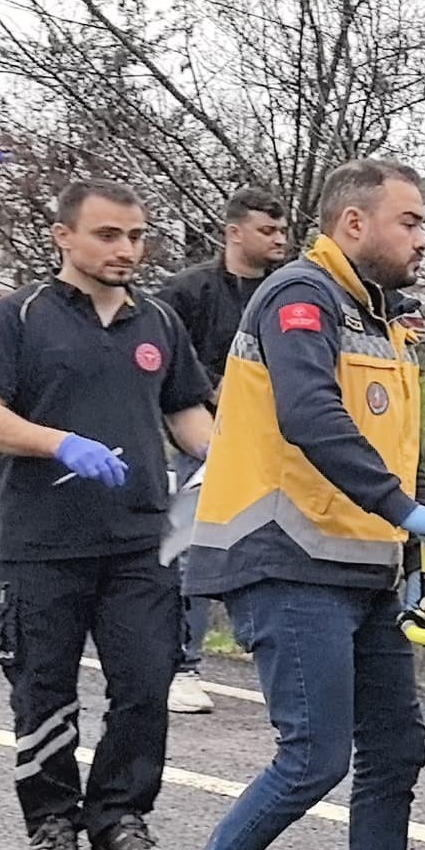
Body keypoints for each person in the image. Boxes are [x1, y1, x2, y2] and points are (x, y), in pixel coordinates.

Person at [147, 159, 425, 850]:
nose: (422, 237)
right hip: (282, 557)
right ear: (353, 225)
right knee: (314, 756)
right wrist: (406, 511)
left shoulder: (384, 322)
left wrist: (417, 537)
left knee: (395, 753)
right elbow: (309, 418)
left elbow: (392, 445)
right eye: (410, 222)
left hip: (359, 568)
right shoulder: (300, 299)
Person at [0, 181, 215, 850]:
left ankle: (121, 816)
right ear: (64, 236)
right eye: (108, 235)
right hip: (42, 543)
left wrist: (225, 455)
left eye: (135, 236)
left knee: (144, 681)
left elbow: (187, 413)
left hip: (139, 541)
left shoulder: (157, 321)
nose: (125, 249)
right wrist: (59, 442)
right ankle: (52, 821)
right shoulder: (18, 318)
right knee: (44, 685)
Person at [147, 189, 293, 714]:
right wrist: (211, 403)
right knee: (195, 548)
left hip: (285, 443)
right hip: (206, 441)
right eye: (266, 231)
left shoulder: (293, 291)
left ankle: (280, 662)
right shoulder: (188, 292)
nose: (278, 240)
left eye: (282, 232)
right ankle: (180, 666)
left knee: (280, 553)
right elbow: (164, 362)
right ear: (234, 232)